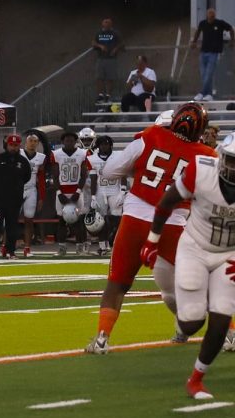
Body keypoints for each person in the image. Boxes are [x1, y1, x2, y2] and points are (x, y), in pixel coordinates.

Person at [85, 102, 213, 354]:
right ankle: (229, 332)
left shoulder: (150, 136)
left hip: (135, 218)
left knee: (117, 283)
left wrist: (138, 171)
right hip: (174, 224)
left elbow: (110, 171)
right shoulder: (207, 155)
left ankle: (102, 338)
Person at [144, 134, 235, 400]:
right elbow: (167, 202)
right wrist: (152, 241)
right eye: (231, 160)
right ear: (221, 157)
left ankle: (196, 379)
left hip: (229, 254)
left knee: (221, 318)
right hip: (194, 246)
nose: (233, 168)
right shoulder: (200, 170)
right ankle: (192, 308)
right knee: (192, 322)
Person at [0, 135, 31, 258]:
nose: (13, 148)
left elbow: (27, 177)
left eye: (16, 145)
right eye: (11, 145)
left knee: (12, 226)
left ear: (19, 146)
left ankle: (11, 252)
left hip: (15, 200)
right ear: (6, 145)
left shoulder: (23, 162)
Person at [50, 131, 90, 256]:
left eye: (71, 140)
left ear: (75, 142)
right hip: (62, 190)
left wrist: (78, 192)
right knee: (61, 220)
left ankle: (80, 247)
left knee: (79, 220)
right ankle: (62, 248)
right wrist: (59, 193)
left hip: (76, 190)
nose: (69, 142)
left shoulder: (82, 153)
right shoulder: (56, 154)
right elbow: (55, 176)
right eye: (67, 140)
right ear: (63, 142)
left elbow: (84, 175)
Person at [87, 135, 126, 256]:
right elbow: (93, 178)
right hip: (100, 190)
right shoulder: (92, 159)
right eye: (102, 144)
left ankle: (115, 242)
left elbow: (123, 173)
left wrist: (123, 190)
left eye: (107, 144)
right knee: (100, 220)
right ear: (98, 146)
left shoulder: (118, 156)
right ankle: (103, 246)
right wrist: (93, 196)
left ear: (111, 145)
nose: (104, 146)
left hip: (115, 190)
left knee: (117, 218)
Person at [190, 8, 234, 101]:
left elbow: (230, 28)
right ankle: (208, 94)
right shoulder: (203, 23)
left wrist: (232, 40)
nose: (211, 17)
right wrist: (194, 41)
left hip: (213, 53)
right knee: (203, 74)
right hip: (203, 52)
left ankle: (202, 92)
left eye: (213, 15)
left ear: (214, 16)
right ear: (207, 15)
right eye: (210, 15)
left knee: (208, 74)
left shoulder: (219, 23)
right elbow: (198, 32)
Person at [19, 131, 47, 257]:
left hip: (31, 189)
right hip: (17, 189)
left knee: (29, 220)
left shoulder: (40, 157)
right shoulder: (18, 153)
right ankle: (6, 246)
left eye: (35, 141)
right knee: (10, 220)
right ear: (26, 141)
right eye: (31, 140)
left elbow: (41, 179)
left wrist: (41, 197)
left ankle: (27, 248)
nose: (33, 143)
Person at [93, 17, 124, 103]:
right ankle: (100, 95)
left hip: (111, 58)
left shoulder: (115, 33)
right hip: (101, 58)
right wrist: (100, 46)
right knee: (99, 77)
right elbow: (94, 42)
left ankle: (108, 95)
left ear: (111, 24)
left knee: (110, 77)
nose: (106, 24)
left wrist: (115, 49)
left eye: (108, 22)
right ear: (102, 24)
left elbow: (121, 43)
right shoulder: (99, 33)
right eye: (105, 22)